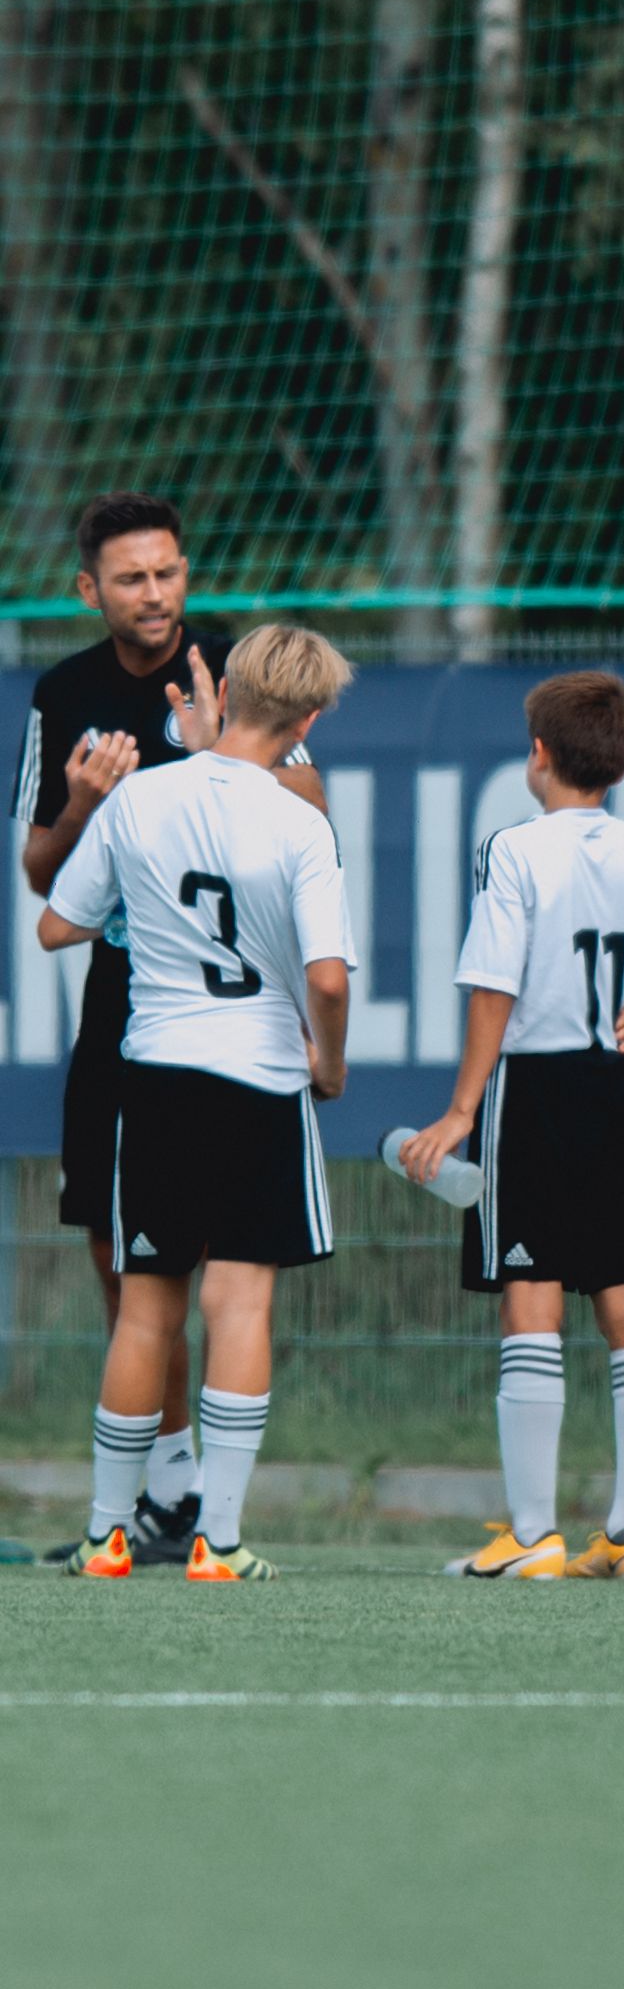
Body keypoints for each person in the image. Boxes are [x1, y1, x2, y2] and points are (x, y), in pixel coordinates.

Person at [12, 492, 325, 1564]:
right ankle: (172, 1496)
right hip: (129, 1018)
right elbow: (43, 877)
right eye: (133, 579)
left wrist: (216, 749)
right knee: (127, 1261)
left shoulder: (231, 673)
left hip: (229, 1025)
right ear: (89, 589)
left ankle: (172, 1510)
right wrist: (85, 802)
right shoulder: (64, 693)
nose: (157, 595)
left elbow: (308, 813)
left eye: (169, 573)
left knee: (210, 1275)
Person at [403, 672, 624, 1582]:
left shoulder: (514, 849)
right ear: (623, 761)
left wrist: (461, 1108)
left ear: (537, 754)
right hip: (617, 1087)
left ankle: (532, 1537)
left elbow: (496, 985)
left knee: (532, 1303)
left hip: (533, 1089)